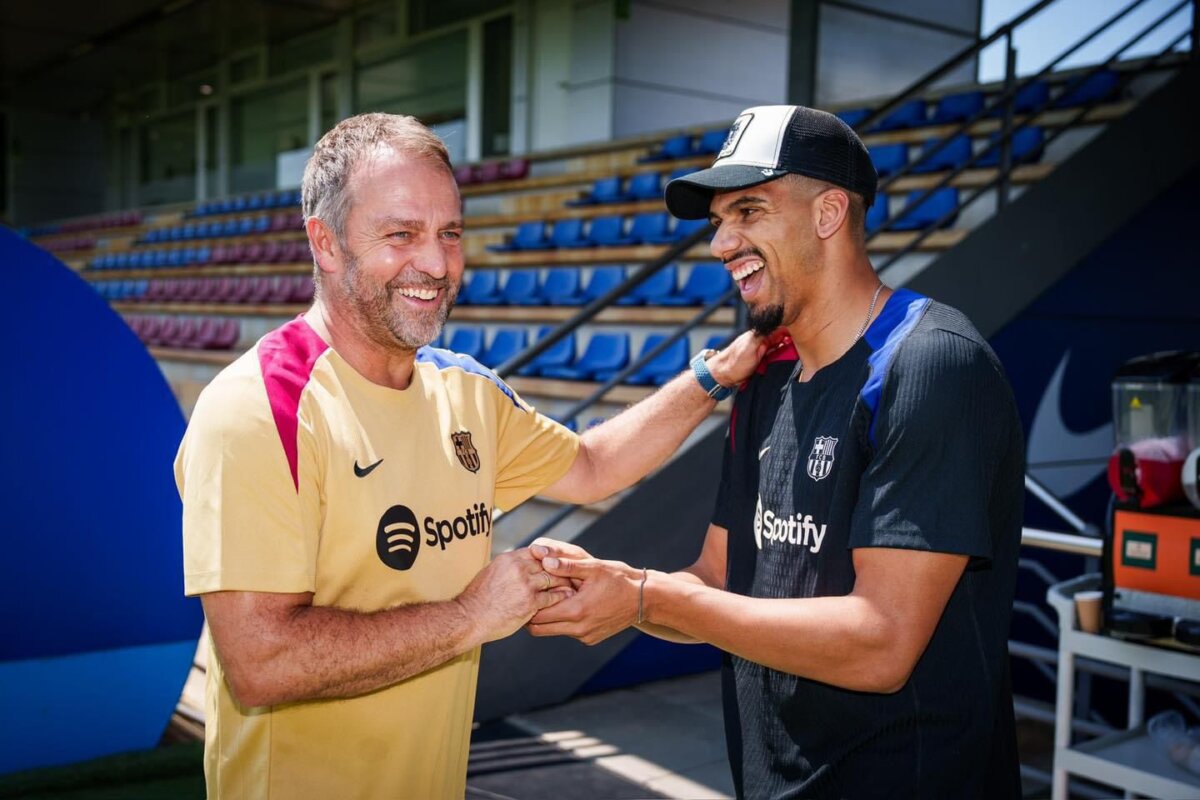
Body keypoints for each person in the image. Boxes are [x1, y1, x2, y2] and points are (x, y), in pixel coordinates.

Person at [174, 112, 766, 799]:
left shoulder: (466, 391)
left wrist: (713, 376)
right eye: (401, 235)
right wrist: (472, 615)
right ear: (326, 243)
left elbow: (596, 466)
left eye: (449, 233)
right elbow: (261, 661)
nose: (435, 263)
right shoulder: (257, 410)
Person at [528, 105, 1025, 799]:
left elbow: (881, 643)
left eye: (749, 211)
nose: (720, 243)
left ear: (828, 213)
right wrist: (618, 588)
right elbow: (717, 577)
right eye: (717, 222)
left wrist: (647, 597)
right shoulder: (763, 378)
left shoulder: (932, 366)